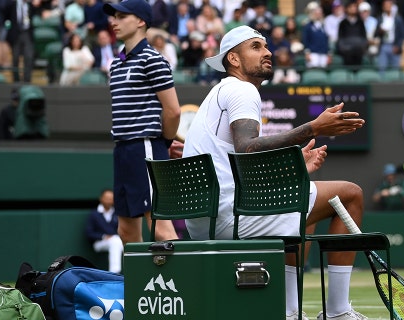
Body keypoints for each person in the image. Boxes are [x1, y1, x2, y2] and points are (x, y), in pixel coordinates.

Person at [182, 25, 368, 320]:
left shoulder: (219, 93)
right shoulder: (242, 90)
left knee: (304, 210)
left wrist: (293, 165)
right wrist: (314, 128)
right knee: (350, 195)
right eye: (256, 47)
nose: (267, 52)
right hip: (230, 216)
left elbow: (238, 165)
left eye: (266, 46)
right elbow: (246, 148)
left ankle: (289, 311)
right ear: (233, 59)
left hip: (203, 220)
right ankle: (337, 312)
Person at [103, 0, 181, 244]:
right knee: (125, 231)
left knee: (160, 228)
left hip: (146, 147)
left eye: (121, 16)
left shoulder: (153, 59)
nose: (114, 22)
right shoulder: (115, 64)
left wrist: (163, 143)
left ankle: (181, 282)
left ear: (140, 21)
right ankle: (137, 283)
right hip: (122, 149)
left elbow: (173, 111)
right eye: (113, 16)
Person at [85, 189, 124, 274]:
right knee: (115, 241)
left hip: (117, 241)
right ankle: (115, 272)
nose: (109, 201)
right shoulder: (94, 214)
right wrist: (103, 236)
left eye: (111, 198)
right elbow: (89, 233)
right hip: (99, 243)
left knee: (118, 242)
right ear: (101, 199)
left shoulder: (117, 213)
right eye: (107, 198)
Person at [4, 0, 36, 83]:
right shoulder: (12, 4)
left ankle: (27, 80)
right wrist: (9, 30)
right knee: (15, 58)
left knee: (29, 56)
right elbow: (6, 18)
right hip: (16, 34)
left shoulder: (30, 5)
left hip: (27, 33)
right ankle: (16, 80)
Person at [374, 0, 404, 75]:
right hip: (383, 46)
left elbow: (402, 35)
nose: (387, 6)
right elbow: (375, 34)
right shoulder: (380, 19)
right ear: (383, 7)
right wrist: (380, 31)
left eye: (389, 5)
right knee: (381, 69)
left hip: (394, 46)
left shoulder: (398, 19)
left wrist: (398, 46)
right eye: (386, 5)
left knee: (395, 70)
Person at [336, 0, 367, 67]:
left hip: (359, 52)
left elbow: (364, 37)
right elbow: (340, 39)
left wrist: (362, 47)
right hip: (346, 52)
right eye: (351, 7)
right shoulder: (343, 23)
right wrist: (345, 49)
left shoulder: (360, 23)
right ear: (347, 9)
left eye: (355, 7)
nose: (353, 9)